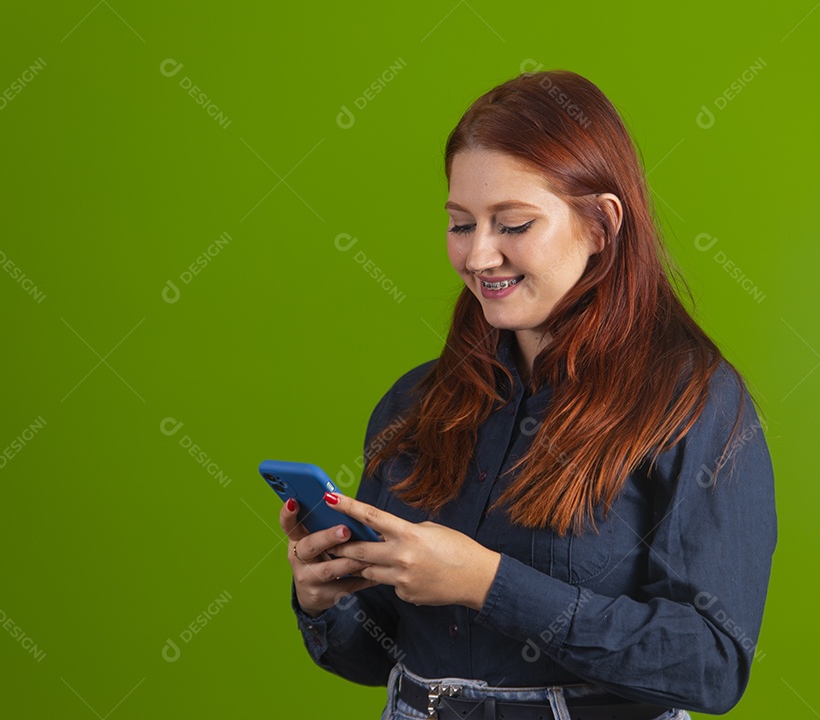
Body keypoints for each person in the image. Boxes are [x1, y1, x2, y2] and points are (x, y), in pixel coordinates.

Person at [280, 69, 778, 720]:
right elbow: (375, 657)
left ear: (601, 224)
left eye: (512, 224)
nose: (480, 256)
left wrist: (487, 584)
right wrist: (324, 599)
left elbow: (710, 665)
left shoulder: (695, 404)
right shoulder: (413, 405)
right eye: (461, 224)